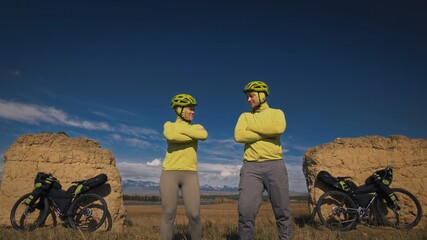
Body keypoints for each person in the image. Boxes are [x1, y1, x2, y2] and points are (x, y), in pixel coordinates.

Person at [234, 80, 294, 240]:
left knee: (282, 212)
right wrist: (266, 132)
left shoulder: (277, 113)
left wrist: (252, 129)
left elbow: (278, 129)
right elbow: (239, 135)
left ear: (262, 95)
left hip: (275, 165)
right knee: (245, 211)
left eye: (251, 96)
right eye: (247, 97)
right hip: (250, 168)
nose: (248, 100)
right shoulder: (245, 116)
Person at [160, 93, 208, 240]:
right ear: (179, 109)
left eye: (194, 108)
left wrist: (184, 130)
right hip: (169, 173)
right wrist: (192, 134)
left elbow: (204, 135)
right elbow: (172, 136)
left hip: (190, 174)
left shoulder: (198, 127)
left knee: (194, 214)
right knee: (168, 213)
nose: (193, 111)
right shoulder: (169, 125)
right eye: (189, 108)